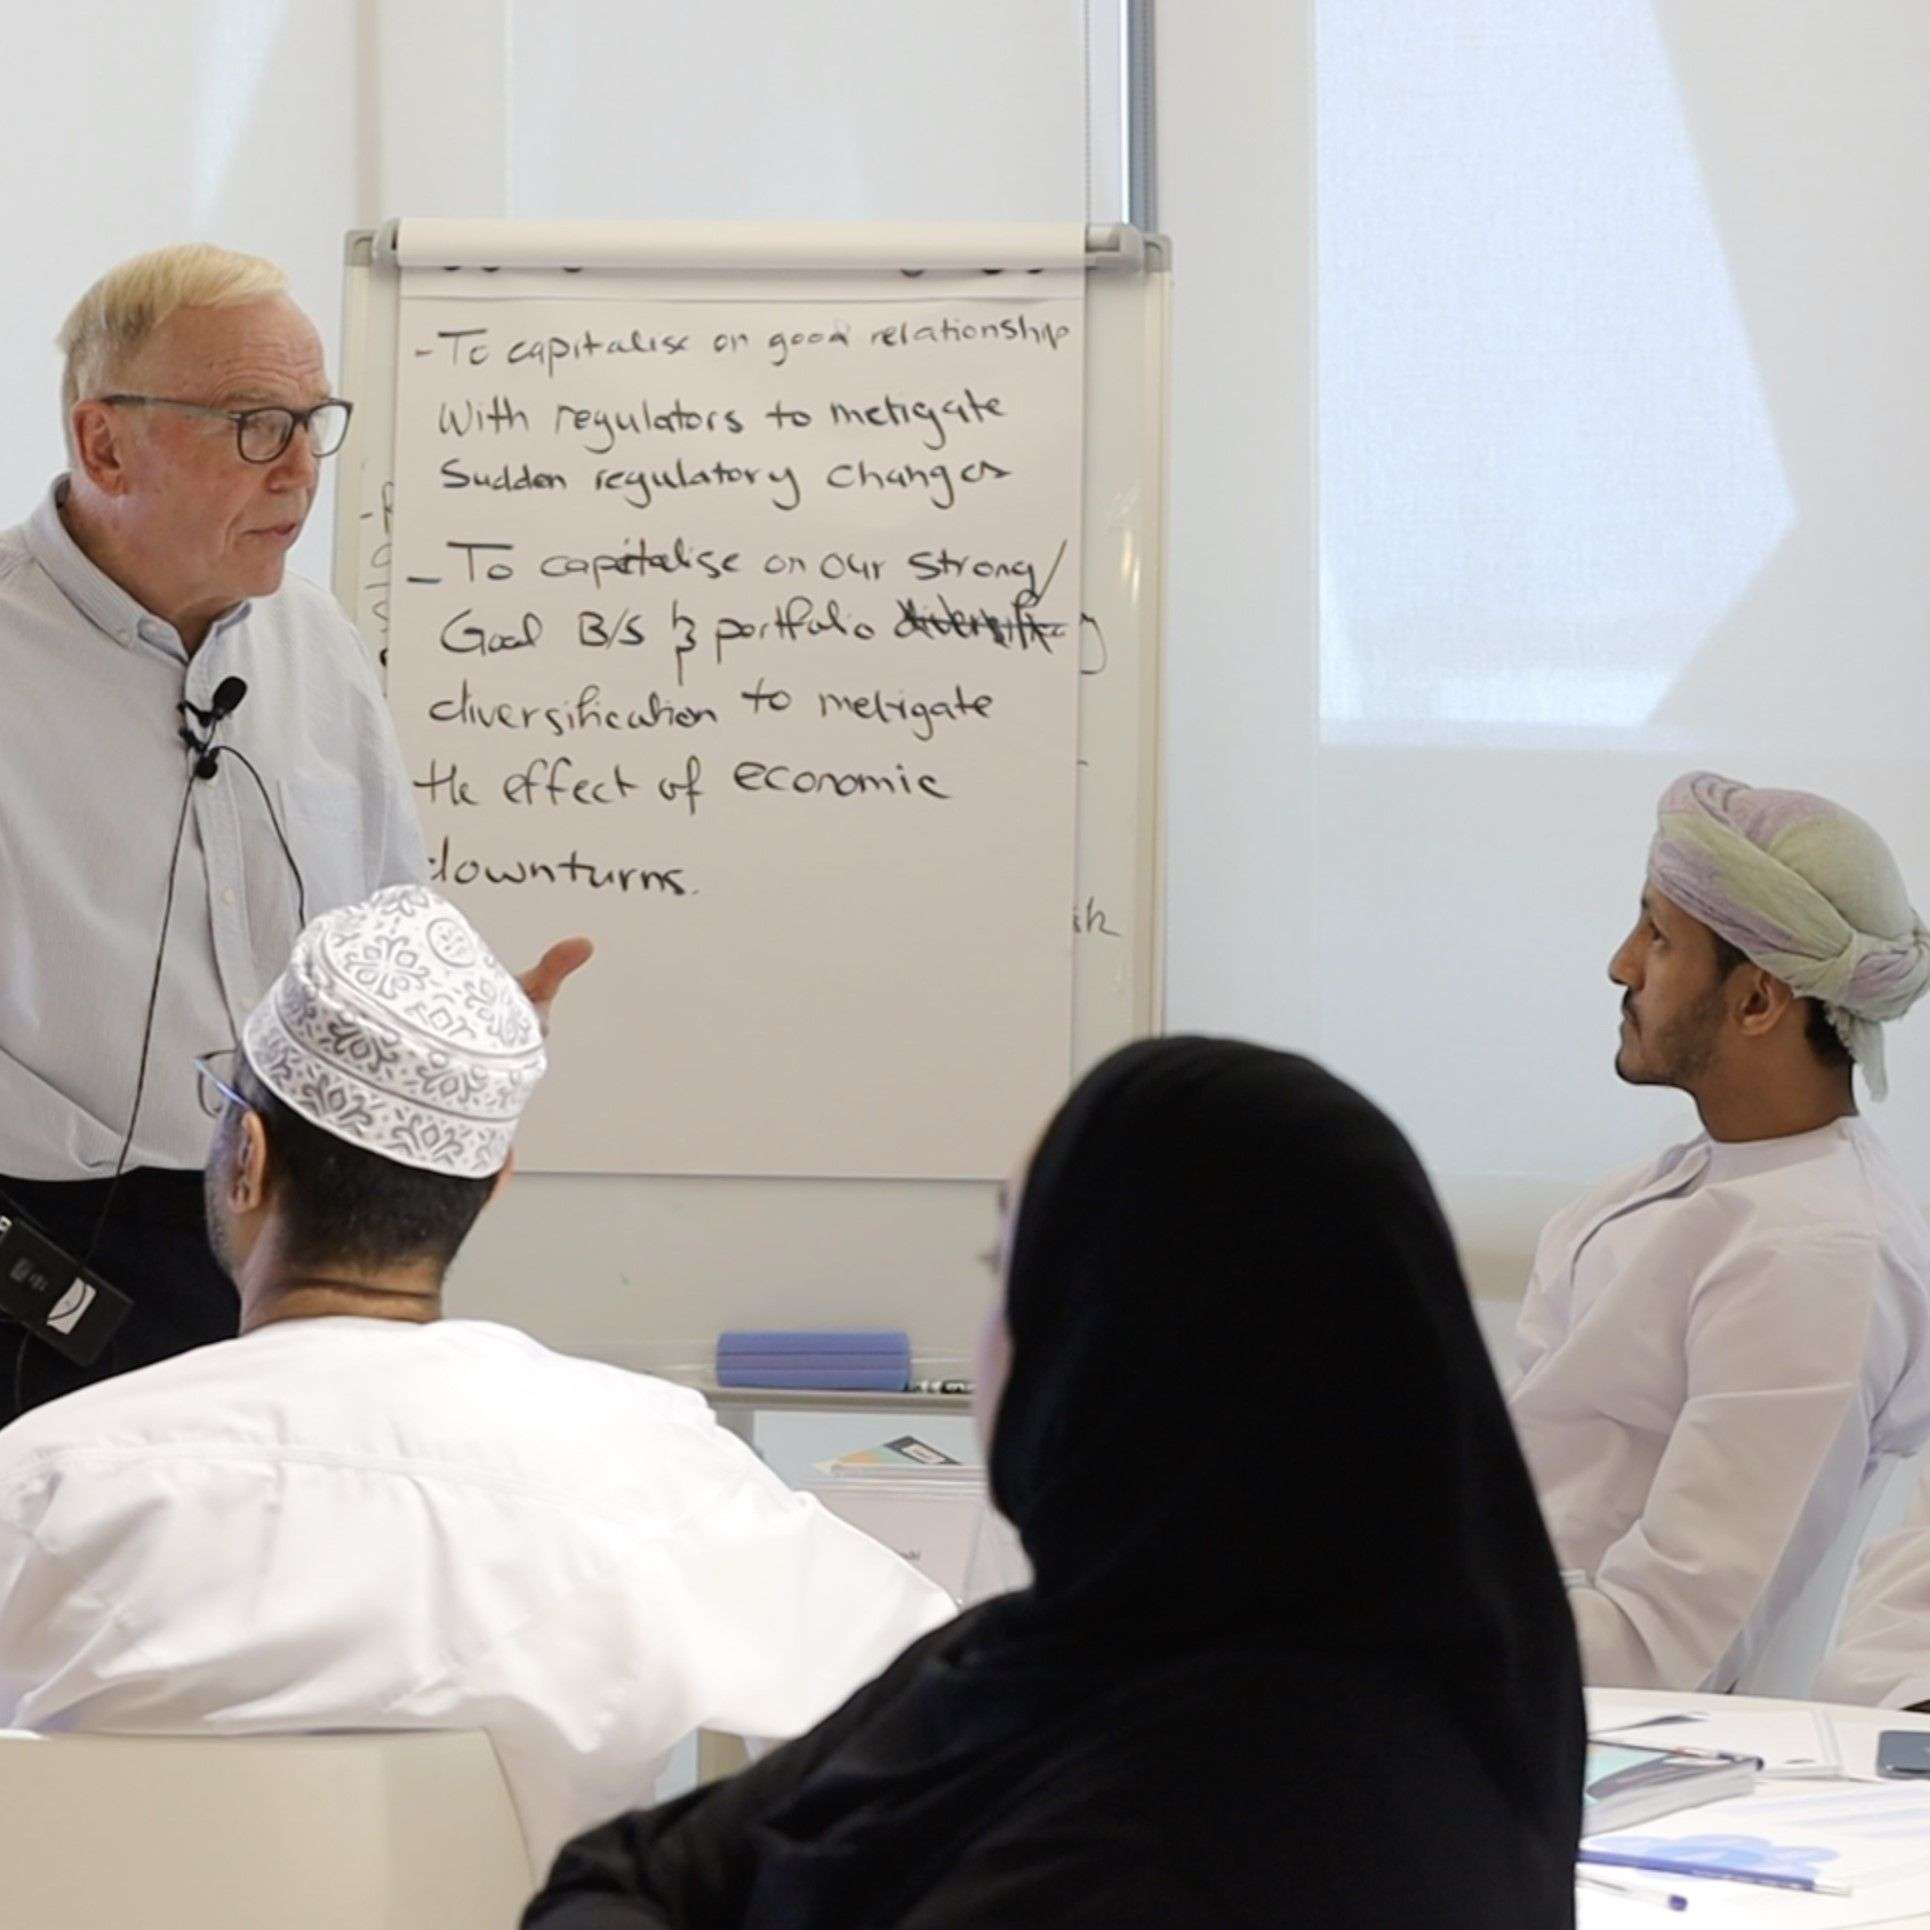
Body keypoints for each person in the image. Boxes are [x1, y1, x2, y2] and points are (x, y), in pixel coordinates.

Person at [525, 1039, 1585, 1930]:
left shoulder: (1221, 1818)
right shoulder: (1035, 1657)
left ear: (1119, 1340)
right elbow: (622, 1868)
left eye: (1011, 1273)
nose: (988, 1333)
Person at [0, 885, 954, 1873]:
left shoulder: (44, 1478)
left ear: (247, 1156)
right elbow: (948, 1734)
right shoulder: (652, 1470)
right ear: (492, 1182)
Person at [0, 242, 585, 1421]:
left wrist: (451, 1026)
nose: (302, 470)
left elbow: (382, 924)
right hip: (40, 1262)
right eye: (255, 425)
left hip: (299, 1249)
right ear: (104, 443)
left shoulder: (316, 643)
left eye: (314, 423)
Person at [1509, 771, 1930, 1691]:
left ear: (1758, 1002)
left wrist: (1405, 1631)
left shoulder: (1818, 1253)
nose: (1622, 964)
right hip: (1497, 1678)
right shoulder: (1682, 1185)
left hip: (1600, 1737)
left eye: (1659, 937)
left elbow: (1666, 1650)